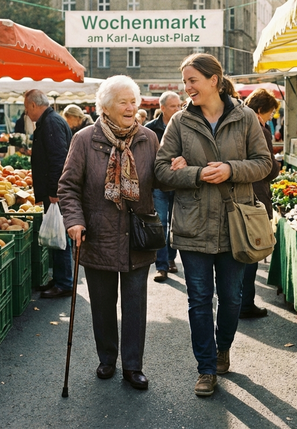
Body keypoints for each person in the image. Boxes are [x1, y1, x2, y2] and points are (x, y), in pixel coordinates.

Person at [155, 53, 272, 397]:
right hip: (193, 224)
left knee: (233, 298)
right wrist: (196, 174)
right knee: (199, 300)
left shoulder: (246, 117)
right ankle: (206, 368)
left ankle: (223, 347)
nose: (187, 87)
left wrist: (232, 170)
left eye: (192, 80)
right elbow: (162, 171)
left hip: (236, 223)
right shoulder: (178, 122)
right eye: (185, 80)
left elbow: (264, 163)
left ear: (213, 81)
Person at [58, 75, 159, 390]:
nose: (130, 108)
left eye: (133, 101)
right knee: (102, 304)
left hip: (137, 237)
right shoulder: (85, 139)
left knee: (135, 303)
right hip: (98, 235)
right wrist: (74, 220)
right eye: (123, 102)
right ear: (105, 106)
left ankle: (133, 366)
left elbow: (161, 180)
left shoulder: (147, 139)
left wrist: (176, 169)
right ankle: (107, 359)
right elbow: (68, 186)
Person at [24, 89, 73, 299]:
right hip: (55, 190)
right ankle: (61, 279)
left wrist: (54, 190)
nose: (27, 113)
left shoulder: (51, 123)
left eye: (27, 108)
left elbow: (58, 158)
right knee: (57, 233)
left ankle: (64, 283)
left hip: (56, 192)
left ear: (34, 105)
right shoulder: (50, 121)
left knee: (59, 234)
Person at [240, 89, 281, 319]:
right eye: (270, 112)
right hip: (255, 196)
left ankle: (237, 302)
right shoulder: (260, 130)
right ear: (260, 110)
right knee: (252, 252)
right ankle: (245, 304)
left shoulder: (238, 124)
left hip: (238, 194)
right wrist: (277, 167)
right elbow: (267, 167)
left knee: (238, 251)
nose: (271, 117)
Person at [145, 91, 182, 282]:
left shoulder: (183, 126)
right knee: (161, 224)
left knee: (175, 223)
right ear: (163, 108)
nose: (177, 109)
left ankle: (170, 258)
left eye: (179, 105)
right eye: (173, 106)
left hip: (179, 182)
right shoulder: (150, 129)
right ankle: (161, 266)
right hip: (159, 183)